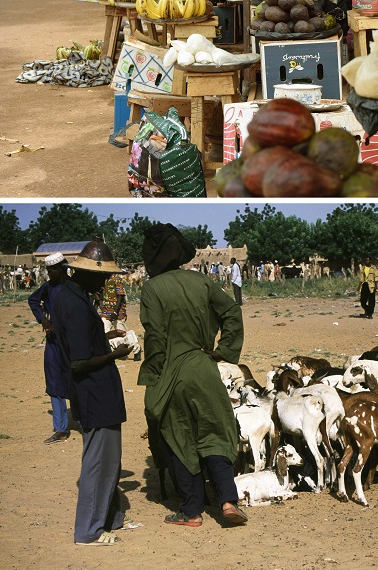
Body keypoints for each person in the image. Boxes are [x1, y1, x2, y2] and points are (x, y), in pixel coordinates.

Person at [138, 223, 248, 528]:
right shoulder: (202, 282)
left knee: (178, 437)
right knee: (214, 432)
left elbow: (156, 339)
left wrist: (153, 378)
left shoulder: (152, 289)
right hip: (204, 368)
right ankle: (227, 501)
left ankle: (192, 511)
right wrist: (223, 351)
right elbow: (231, 312)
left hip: (171, 372)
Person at [51, 239, 132, 546]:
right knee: (98, 463)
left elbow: (81, 340)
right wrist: (116, 354)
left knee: (108, 460)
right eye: (102, 275)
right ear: (86, 272)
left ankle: (110, 519)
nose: (105, 280)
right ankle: (89, 530)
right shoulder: (74, 302)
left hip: (94, 393)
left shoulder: (73, 295)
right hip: (95, 392)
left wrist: (107, 333)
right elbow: (81, 360)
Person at [28, 253, 70, 444]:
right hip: (53, 342)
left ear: (60, 269)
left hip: (73, 341)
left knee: (77, 378)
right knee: (54, 382)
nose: (49, 274)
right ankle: (60, 428)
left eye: (51, 270)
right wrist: (43, 319)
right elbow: (33, 301)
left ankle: (85, 420)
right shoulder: (48, 287)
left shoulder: (75, 287)